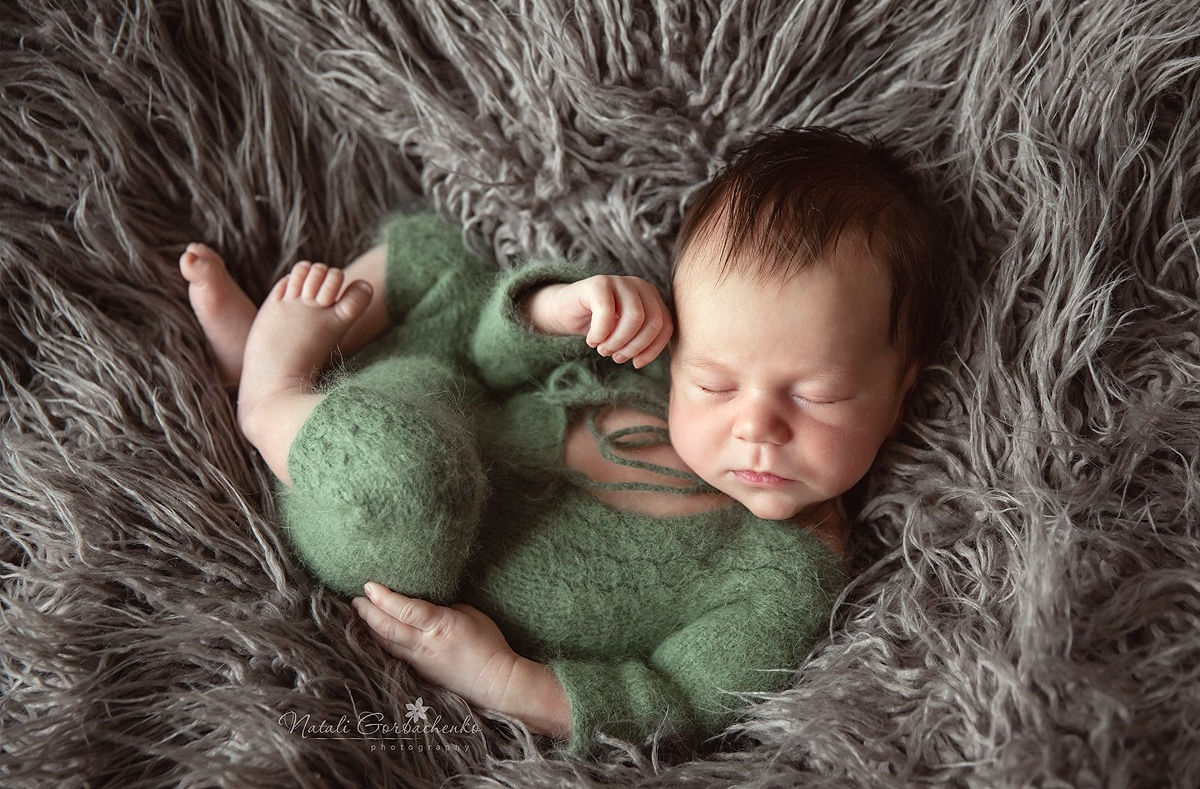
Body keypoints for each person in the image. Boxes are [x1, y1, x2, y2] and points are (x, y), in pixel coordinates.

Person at [179, 127, 948, 755]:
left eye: (817, 395)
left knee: (404, 472)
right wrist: (559, 312)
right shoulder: (655, 362)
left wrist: (505, 679)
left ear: (898, 390)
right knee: (439, 261)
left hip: (409, 537)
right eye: (714, 383)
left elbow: (678, 701)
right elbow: (488, 359)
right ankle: (291, 387)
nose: (756, 425)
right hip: (436, 394)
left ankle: (272, 396)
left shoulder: (785, 571)